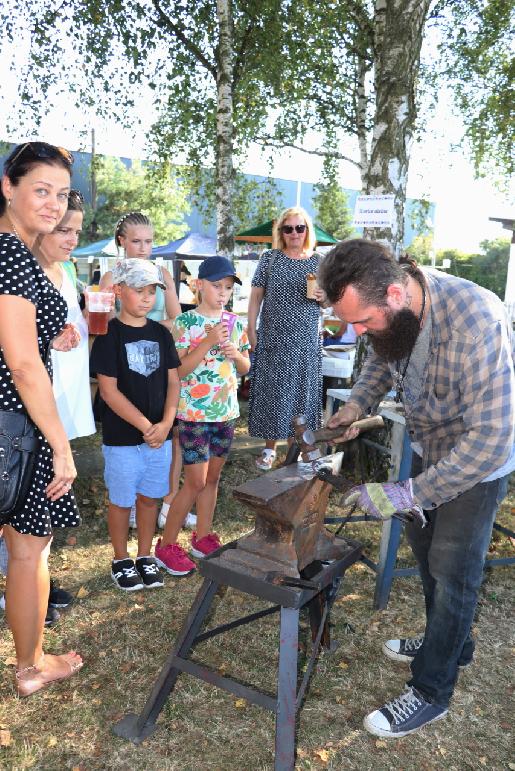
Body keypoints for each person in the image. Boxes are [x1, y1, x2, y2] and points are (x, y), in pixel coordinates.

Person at [318, 238, 514, 739]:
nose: (358, 332)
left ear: (395, 295)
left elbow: (491, 441)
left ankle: (432, 690)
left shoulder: (477, 321)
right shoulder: (393, 312)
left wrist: (404, 495)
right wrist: (353, 408)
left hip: (478, 461)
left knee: (453, 573)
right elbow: (382, 361)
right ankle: (450, 644)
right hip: (432, 447)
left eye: (362, 321)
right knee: (427, 557)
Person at [0, 141, 84, 696]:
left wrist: (51, 329)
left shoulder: (23, 255)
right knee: (29, 549)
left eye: (60, 194)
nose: (53, 205)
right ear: (8, 186)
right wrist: (61, 443)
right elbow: (24, 364)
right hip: (15, 425)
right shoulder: (10, 254)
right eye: (40, 190)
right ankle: (30, 668)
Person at [155, 255, 250, 576]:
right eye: (216, 286)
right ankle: (166, 544)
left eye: (227, 288)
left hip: (226, 413)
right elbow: (179, 370)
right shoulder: (186, 322)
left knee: (212, 479)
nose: (222, 293)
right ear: (198, 285)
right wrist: (207, 342)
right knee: (194, 482)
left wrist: (235, 353)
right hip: (194, 414)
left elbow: (246, 367)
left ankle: (203, 536)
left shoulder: (235, 323)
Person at [90, 258, 181, 591]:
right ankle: (120, 558)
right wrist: (147, 425)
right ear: (117, 291)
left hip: (160, 436)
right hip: (123, 439)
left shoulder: (161, 333)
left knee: (150, 498)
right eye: (139, 290)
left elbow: (174, 382)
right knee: (122, 500)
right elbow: (110, 392)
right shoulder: (108, 335)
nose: (147, 298)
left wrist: (167, 421)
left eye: (152, 291)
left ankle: (144, 555)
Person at [101, 212, 181, 530]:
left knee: (168, 437)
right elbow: (105, 324)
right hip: (124, 367)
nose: (143, 247)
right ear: (122, 242)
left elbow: (177, 319)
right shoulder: (111, 278)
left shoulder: (162, 273)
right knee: (127, 434)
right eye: (136, 241)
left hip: (161, 363)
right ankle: (130, 501)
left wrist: (147, 329)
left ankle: (164, 502)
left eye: (149, 241)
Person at [247, 206, 325, 470]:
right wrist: (250, 328)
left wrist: (323, 298)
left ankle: (297, 451)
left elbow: (331, 300)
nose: (294, 233)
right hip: (274, 337)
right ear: (280, 232)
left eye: (299, 228)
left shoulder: (320, 262)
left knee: (301, 395)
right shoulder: (269, 258)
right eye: (288, 228)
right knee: (274, 392)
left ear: (307, 231)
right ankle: (270, 449)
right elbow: (256, 297)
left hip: (305, 340)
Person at [36, 188, 95, 440]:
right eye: (64, 230)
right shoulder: (24, 273)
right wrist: (51, 340)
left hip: (68, 395)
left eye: (77, 232)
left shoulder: (67, 271)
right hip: (38, 400)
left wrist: (91, 313)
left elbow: (76, 327)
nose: (73, 240)